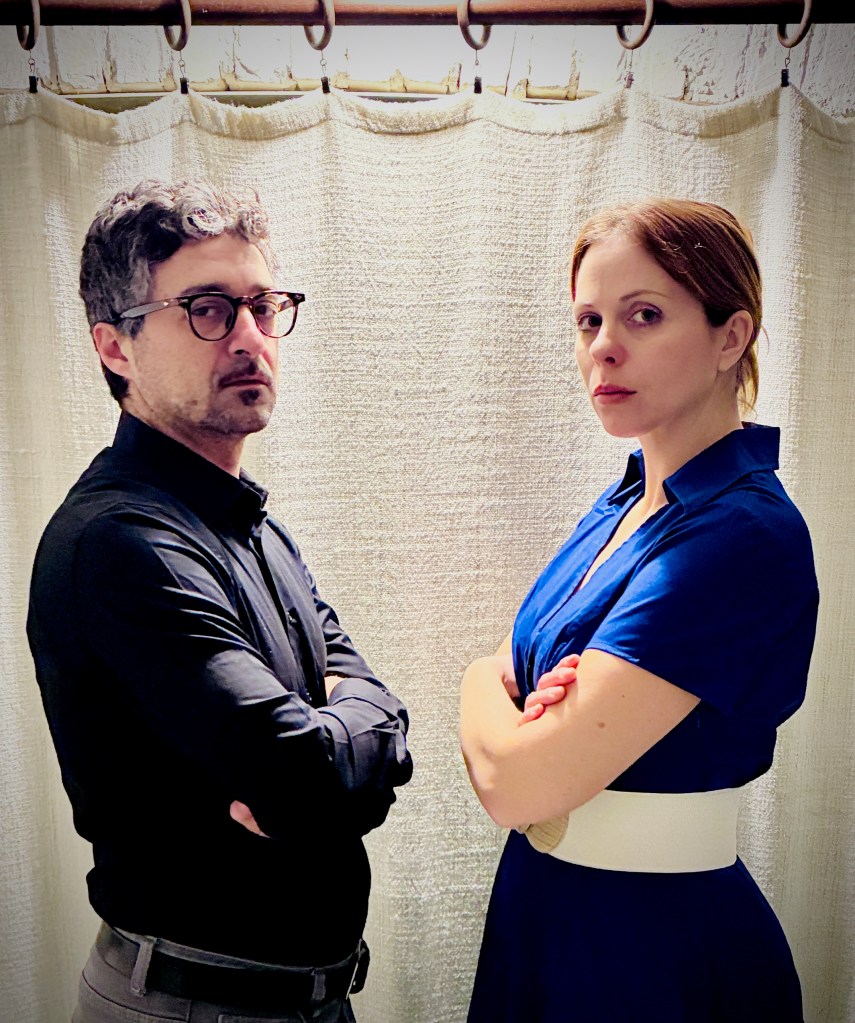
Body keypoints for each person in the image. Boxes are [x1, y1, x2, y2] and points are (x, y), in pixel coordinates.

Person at [27, 180, 413, 1023]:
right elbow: (308, 782)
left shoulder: (252, 526)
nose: (248, 337)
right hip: (193, 1005)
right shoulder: (121, 543)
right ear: (116, 346)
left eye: (264, 306)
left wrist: (357, 725)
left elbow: (371, 704)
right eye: (206, 309)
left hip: (309, 1000)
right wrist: (349, 740)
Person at [460, 198, 818, 1023]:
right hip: (542, 909)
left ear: (730, 336)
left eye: (643, 315)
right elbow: (521, 703)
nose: (603, 346)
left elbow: (517, 783)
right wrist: (511, 707)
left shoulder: (741, 534)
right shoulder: (625, 502)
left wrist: (475, 681)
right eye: (587, 320)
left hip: (652, 946)